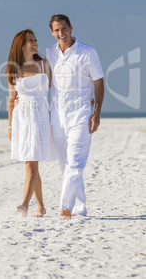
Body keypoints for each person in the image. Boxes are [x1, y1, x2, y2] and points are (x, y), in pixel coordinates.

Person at [46, 14, 104, 219]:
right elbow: (46, 82)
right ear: (52, 33)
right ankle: (79, 207)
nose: (61, 34)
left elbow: (98, 82)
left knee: (75, 162)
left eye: (64, 29)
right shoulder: (50, 53)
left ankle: (65, 207)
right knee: (65, 165)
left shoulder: (87, 52)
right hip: (57, 116)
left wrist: (96, 113)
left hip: (81, 114)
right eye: (56, 30)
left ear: (71, 27)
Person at [6, 29, 57, 217]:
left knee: (31, 164)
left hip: (41, 116)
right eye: (30, 40)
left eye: (35, 40)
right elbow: (11, 99)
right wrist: (10, 125)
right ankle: (41, 207)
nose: (35, 43)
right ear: (21, 44)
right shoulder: (14, 69)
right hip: (23, 118)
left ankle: (25, 204)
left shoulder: (45, 64)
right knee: (31, 164)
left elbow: (58, 90)